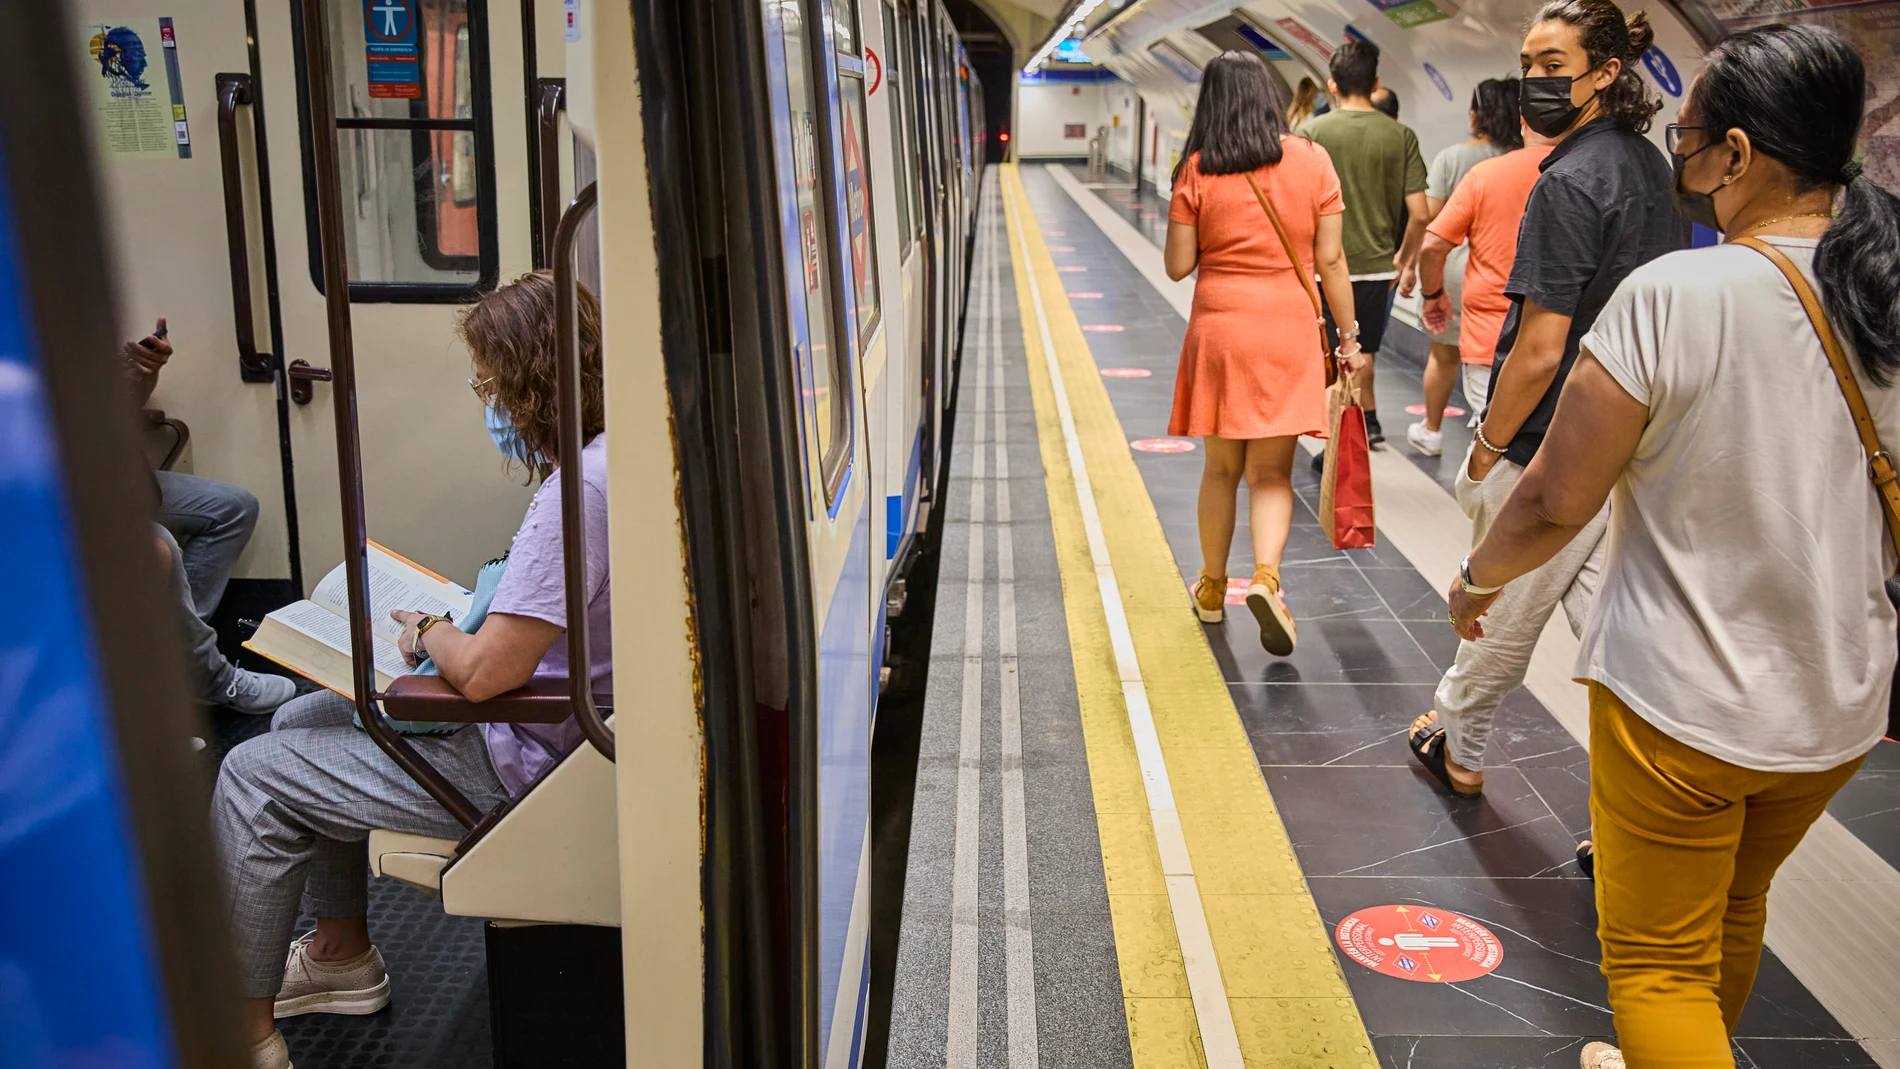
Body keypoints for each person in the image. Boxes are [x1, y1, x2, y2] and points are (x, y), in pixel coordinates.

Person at [1448, 25, 1893, 1069]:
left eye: (1691, 140)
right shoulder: (1885, 293)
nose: (1681, 162)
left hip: (1687, 706)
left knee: (1654, 965)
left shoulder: (1676, 297)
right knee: (1734, 908)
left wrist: (1475, 580)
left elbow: (1555, 497)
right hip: (1837, 705)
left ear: (1737, 155)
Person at [213, 271, 613, 1069]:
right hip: (562, 728)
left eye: (491, 383)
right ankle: (340, 955)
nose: (488, 402)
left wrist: (430, 630)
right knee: (301, 722)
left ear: (532, 382)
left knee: (253, 773)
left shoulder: (577, 495)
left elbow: (492, 672)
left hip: (523, 756)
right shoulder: (612, 462)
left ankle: (244, 1033)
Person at [1406, 0, 1687, 798]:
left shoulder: (1566, 181)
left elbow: (1537, 349)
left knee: (1497, 601)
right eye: (1528, 63)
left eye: (1553, 66)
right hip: (1636, 432)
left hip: (1553, 438)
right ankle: (1642, 796)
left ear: (1605, 74)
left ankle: (1459, 746)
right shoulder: (1653, 170)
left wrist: (1489, 447)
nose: (1534, 79)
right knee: (1617, 631)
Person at [1164, 51, 1364, 655]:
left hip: (1221, 332)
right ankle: (1268, 580)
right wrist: (1349, 339)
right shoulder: (1312, 160)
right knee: (1271, 473)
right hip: (1287, 331)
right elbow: (1330, 260)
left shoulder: (1198, 167)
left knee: (1221, 469)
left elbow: (1177, 267)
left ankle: (1211, 587)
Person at [124, 320, 293, 714]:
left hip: (100, 475)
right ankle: (206, 674)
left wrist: (141, 375)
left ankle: (175, 661)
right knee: (158, 543)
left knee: (232, 507)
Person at [1298, 39, 1428, 450]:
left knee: (1322, 351)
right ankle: (1356, 428)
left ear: (1332, 85)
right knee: (1363, 351)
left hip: (1319, 266)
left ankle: (1327, 430)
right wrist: (1404, 261)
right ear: (1375, 84)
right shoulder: (1401, 135)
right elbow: (1421, 213)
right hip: (1376, 268)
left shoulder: (1310, 132)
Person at [1404, 78, 1523, 456]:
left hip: (1455, 268)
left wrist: (1412, 269)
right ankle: (1491, 420)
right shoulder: (1528, 159)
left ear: (1476, 114)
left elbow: (1430, 220)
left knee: (1443, 353)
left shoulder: (1454, 157)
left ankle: (1433, 430)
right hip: (1510, 267)